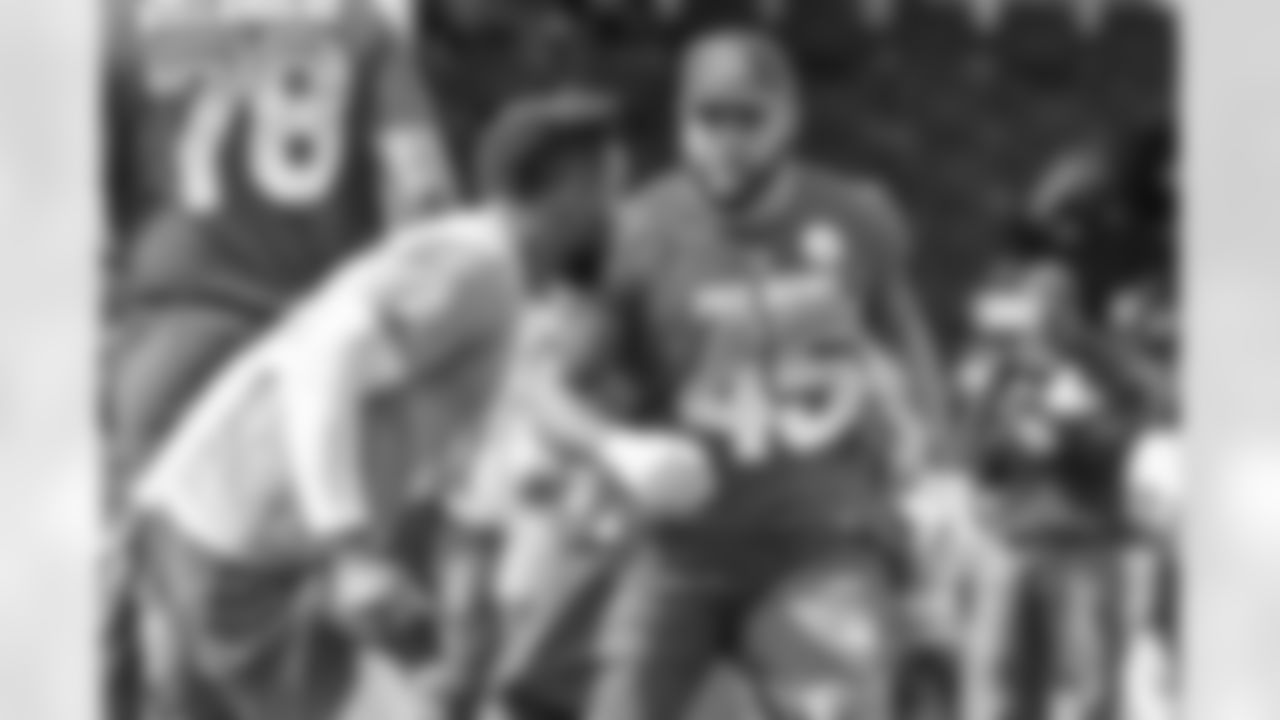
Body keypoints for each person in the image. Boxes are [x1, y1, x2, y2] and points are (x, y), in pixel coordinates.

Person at [112, 90, 716, 720]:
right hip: (238, 555)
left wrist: (610, 451)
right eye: (613, 189)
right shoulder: (478, 265)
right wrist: (348, 549)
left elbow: (518, 394)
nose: (621, 216)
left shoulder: (493, 276)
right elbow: (326, 361)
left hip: (219, 537)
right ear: (572, 189)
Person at [581, 29, 956, 720]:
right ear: (680, 120)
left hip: (819, 540)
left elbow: (909, 348)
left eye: (748, 118)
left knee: (840, 705)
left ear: (790, 116)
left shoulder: (856, 216)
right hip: (680, 544)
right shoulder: (639, 227)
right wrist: (609, 445)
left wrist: (940, 471)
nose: (727, 139)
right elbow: (556, 379)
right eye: (709, 117)